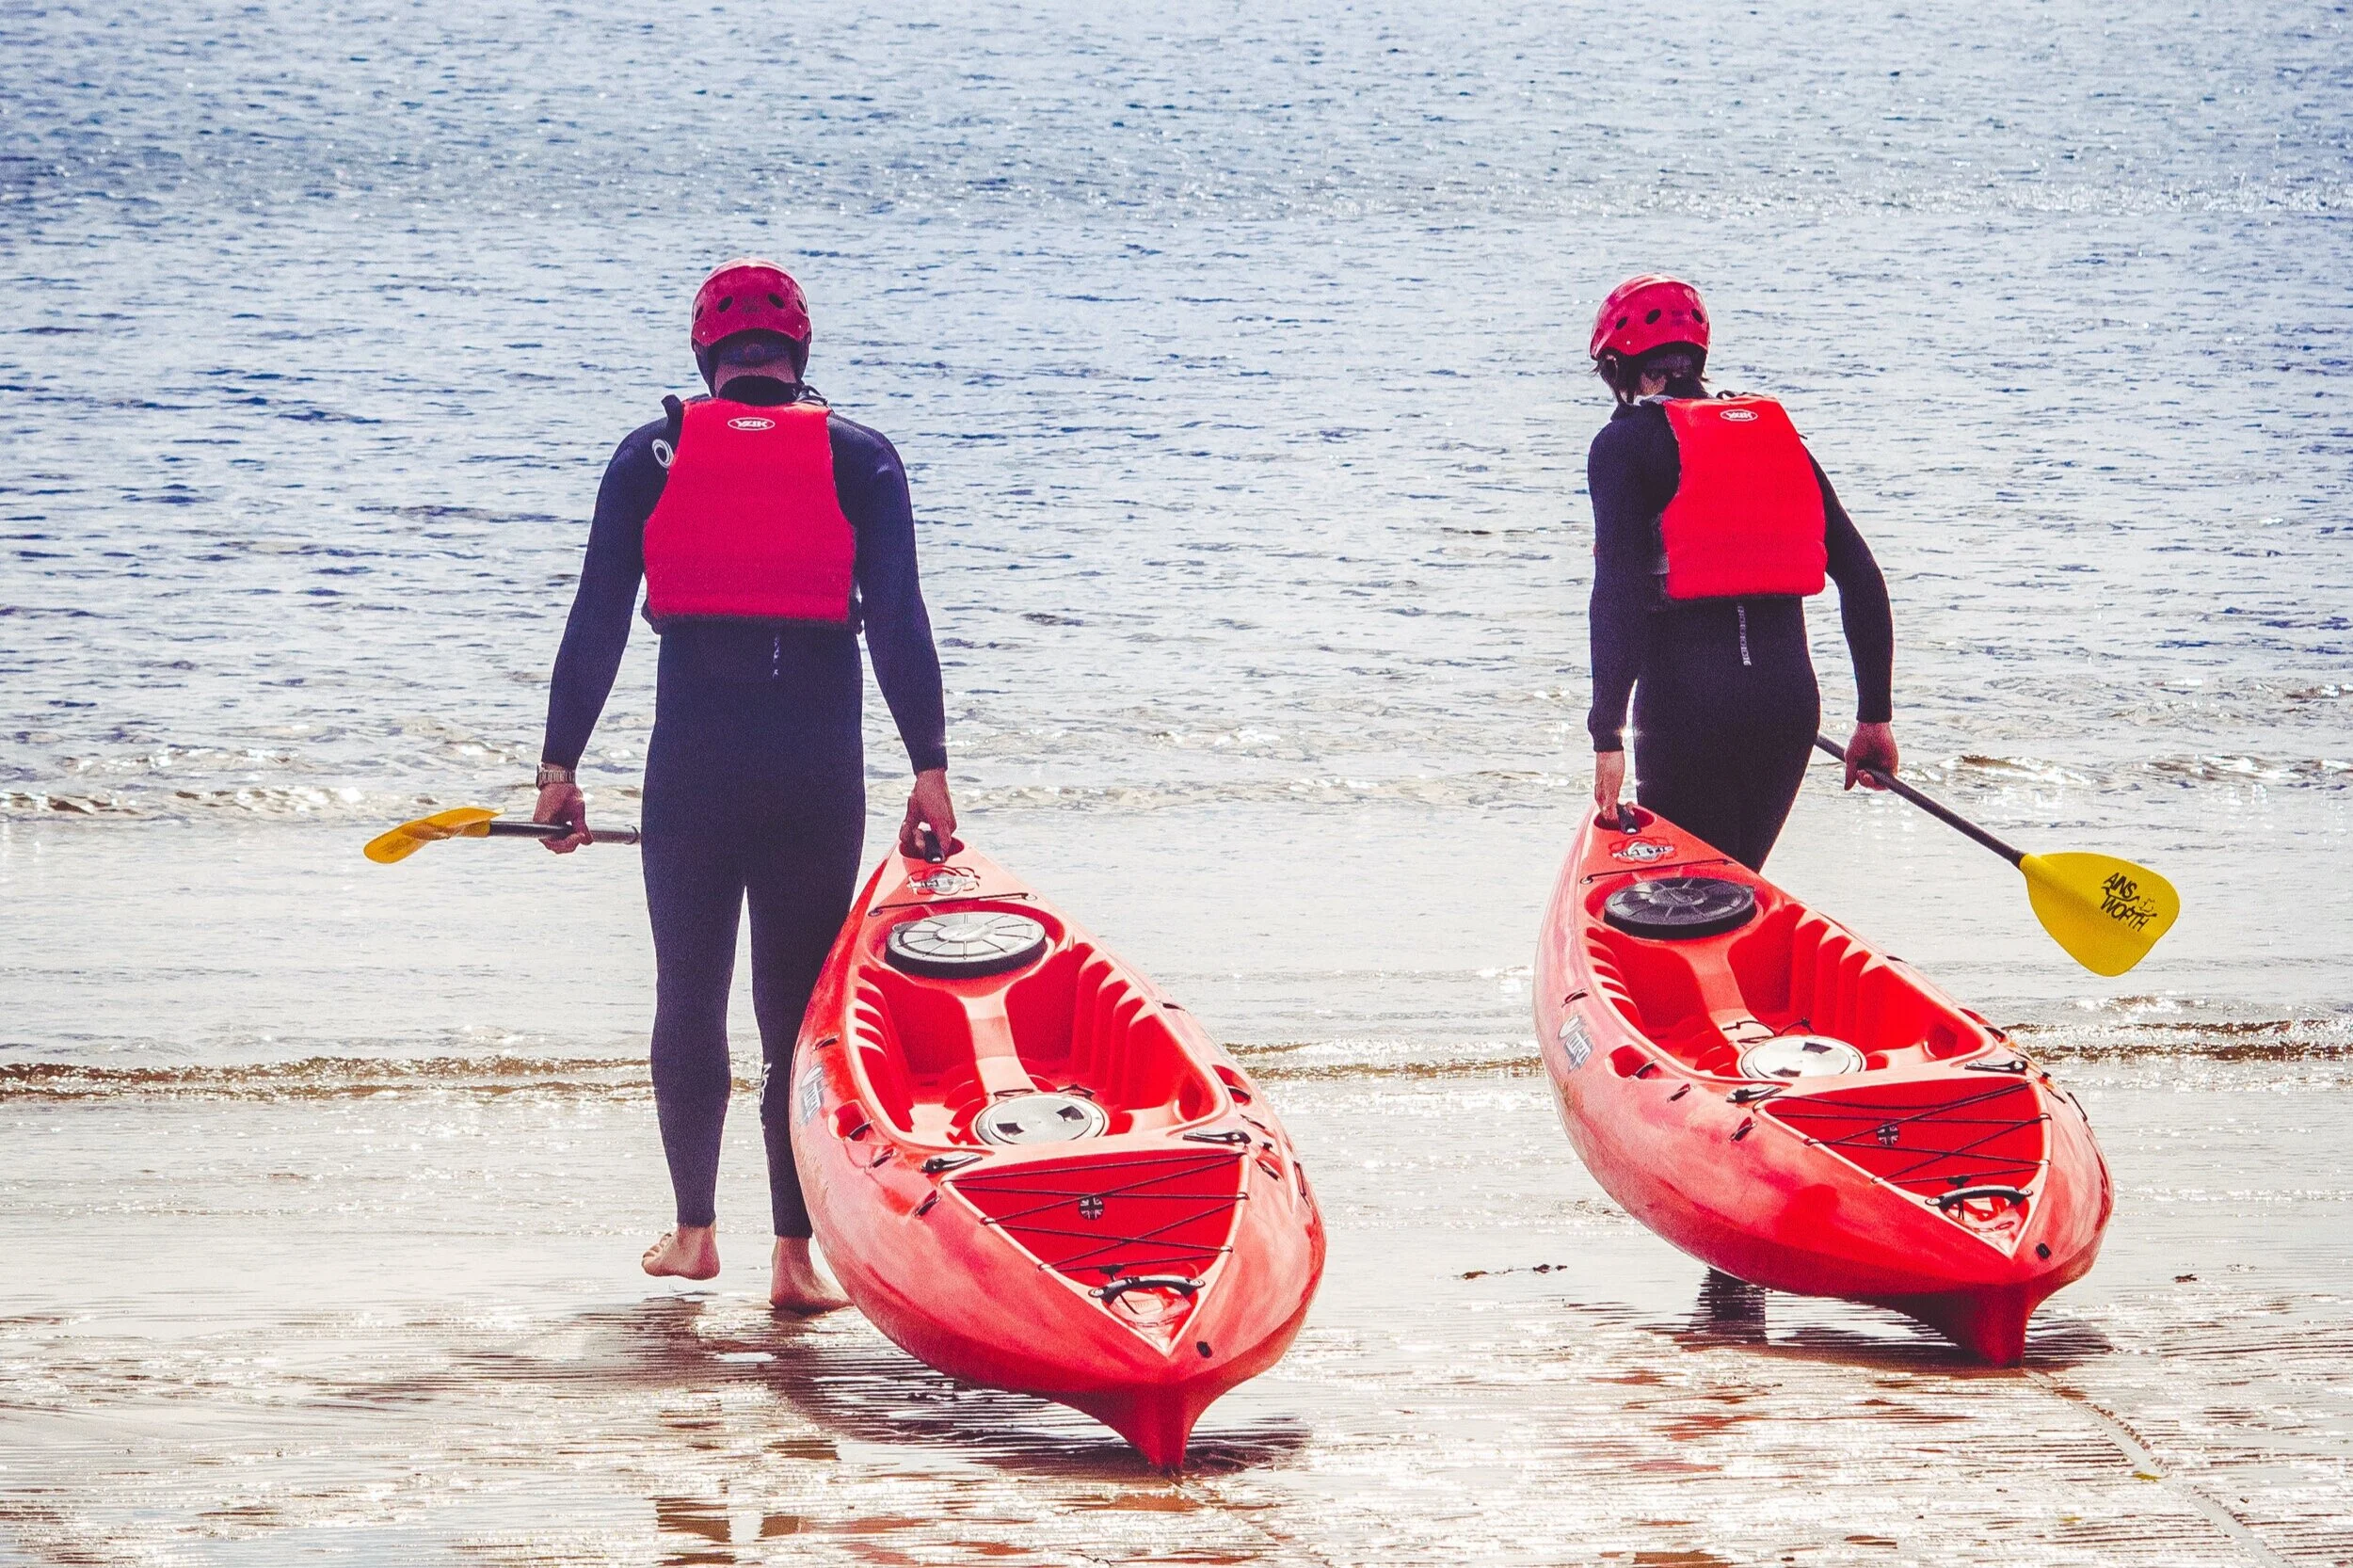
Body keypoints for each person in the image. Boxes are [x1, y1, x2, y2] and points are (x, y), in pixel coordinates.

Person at [531, 258, 956, 1312]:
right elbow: (899, 624)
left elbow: (596, 620)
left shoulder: (651, 455)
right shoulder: (861, 458)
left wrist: (559, 768)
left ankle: (691, 1235)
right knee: (797, 1017)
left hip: (695, 763)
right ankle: (794, 1261)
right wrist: (930, 769)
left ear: (705, 354)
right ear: (798, 352)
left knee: (689, 993)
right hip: (816, 763)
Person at [1582, 274, 1898, 871]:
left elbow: (1618, 593)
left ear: (1621, 368)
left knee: (1680, 886)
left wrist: (1607, 736)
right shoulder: (1778, 440)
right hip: (1787, 707)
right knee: (1734, 878)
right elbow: (1860, 576)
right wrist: (1874, 717)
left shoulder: (1622, 445)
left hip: (1687, 707)